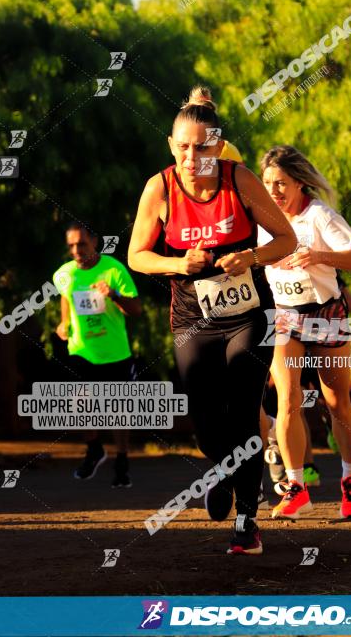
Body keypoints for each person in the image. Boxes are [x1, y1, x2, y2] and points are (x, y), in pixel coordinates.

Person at [128, 87, 296, 555]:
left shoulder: (239, 180)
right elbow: (137, 256)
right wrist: (178, 264)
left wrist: (251, 255)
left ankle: (247, 519)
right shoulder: (159, 187)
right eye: (182, 146)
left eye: (201, 146)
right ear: (171, 146)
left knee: (243, 409)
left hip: (248, 314)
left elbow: (287, 238)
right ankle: (224, 470)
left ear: (218, 147)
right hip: (192, 316)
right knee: (204, 420)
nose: (191, 155)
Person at [257, 145, 351, 520]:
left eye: (281, 183)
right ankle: (295, 486)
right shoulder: (262, 221)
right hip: (285, 317)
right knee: (287, 399)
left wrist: (319, 256)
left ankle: (350, 479)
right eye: (268, 183)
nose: (273, 191)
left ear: (300, 183)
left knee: (336, 402)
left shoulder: (319, 216)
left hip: (326, 313)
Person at [54, 222, 142, 486]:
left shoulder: (114, 270)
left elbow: (136, 310)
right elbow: (66, 297)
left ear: (94, 241)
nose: (76, 250)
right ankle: (94, 449)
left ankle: (122, 460)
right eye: (71, 245)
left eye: (81, 243)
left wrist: (113, 294)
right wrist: (64, 323)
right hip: (81, 351)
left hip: (115, 353)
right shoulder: (63, 274)